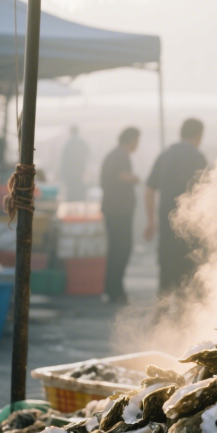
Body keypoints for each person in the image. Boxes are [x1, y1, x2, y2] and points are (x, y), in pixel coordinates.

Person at [145, 118, 207, 295]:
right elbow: (206, 194)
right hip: (189, 232)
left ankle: (162, 319)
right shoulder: (197, 157)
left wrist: (151, 220)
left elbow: (148, 189)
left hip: (166, 229)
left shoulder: (165, 155)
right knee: (188, 280)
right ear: (199, 135)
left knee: (165, 281)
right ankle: (184, 321)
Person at [100, 127, 141, 305]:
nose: (138, 145)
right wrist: (136, 178)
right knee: (121, 250)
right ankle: (115, 291)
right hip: (119, 212)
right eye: (137, 140)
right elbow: (123, 176)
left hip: (116, 210)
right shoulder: (120, 156)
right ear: (131, 140)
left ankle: (114, 290)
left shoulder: (115, 154)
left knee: (117, 250)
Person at [60, 126, 89, 201]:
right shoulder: (82, 143)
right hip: (79, 172)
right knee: (79, 191)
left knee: (72, 192)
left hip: (71, 173)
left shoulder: (69, 144)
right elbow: (88, 157)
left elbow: (64, 161)